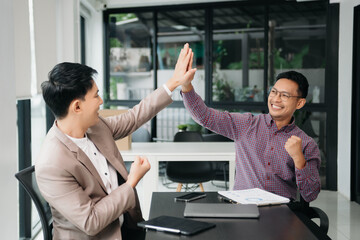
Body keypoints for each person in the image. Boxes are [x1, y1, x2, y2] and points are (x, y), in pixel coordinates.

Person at [35, 43, 196, 240]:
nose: (101, 101)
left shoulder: (95, 126)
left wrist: (173, 82)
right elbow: (91, 222)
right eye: (96, 96)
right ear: (77, 107)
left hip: (126, 227)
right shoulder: (51, 164)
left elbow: (133, 118)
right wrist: (132, 182)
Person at [181, 68, 321, 202]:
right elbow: (205, 117)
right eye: (274, 92)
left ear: (300, 103)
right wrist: (186, 86)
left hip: (281, 212)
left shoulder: (307, 144)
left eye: (284, 95)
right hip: (242, 208)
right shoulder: (246, 124)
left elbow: (310, 194)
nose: (276, 99)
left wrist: (299, 159)